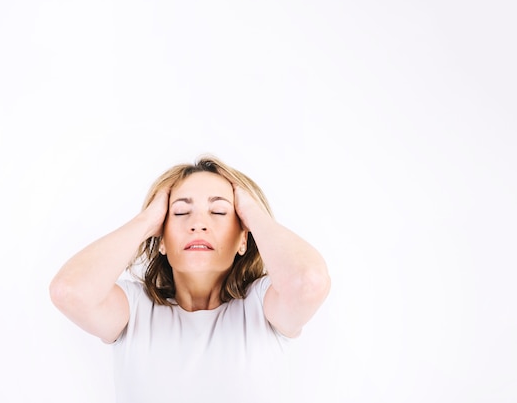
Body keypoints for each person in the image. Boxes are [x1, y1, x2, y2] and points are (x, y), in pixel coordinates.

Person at [49, 156, 331, 403]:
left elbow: (309, 282)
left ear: (243, 238)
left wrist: (252, 212)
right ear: (160, 238)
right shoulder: (134, 310)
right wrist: (147, 220)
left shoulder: (262, 306)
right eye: (181, 212)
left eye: (219, 212)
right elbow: (69, 291)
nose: (198, 223)